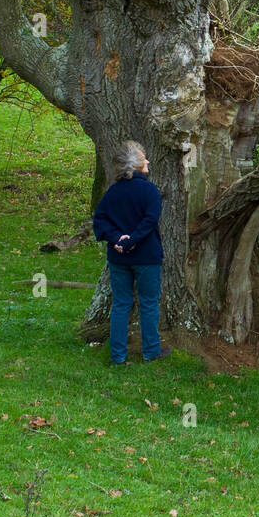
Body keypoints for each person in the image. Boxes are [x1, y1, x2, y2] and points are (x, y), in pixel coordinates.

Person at [92, 141, 170, 364]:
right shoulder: (150, 191)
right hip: (146, 257)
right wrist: (131, 240)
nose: (147, 161)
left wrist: (117, 239)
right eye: (144, 158)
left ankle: (117, 356)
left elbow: (100, 221)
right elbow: (150, 220)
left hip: (119, 257)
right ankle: (151, 351)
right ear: (135, 165)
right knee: (147, 303)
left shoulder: (112, 192)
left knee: (121, 304)